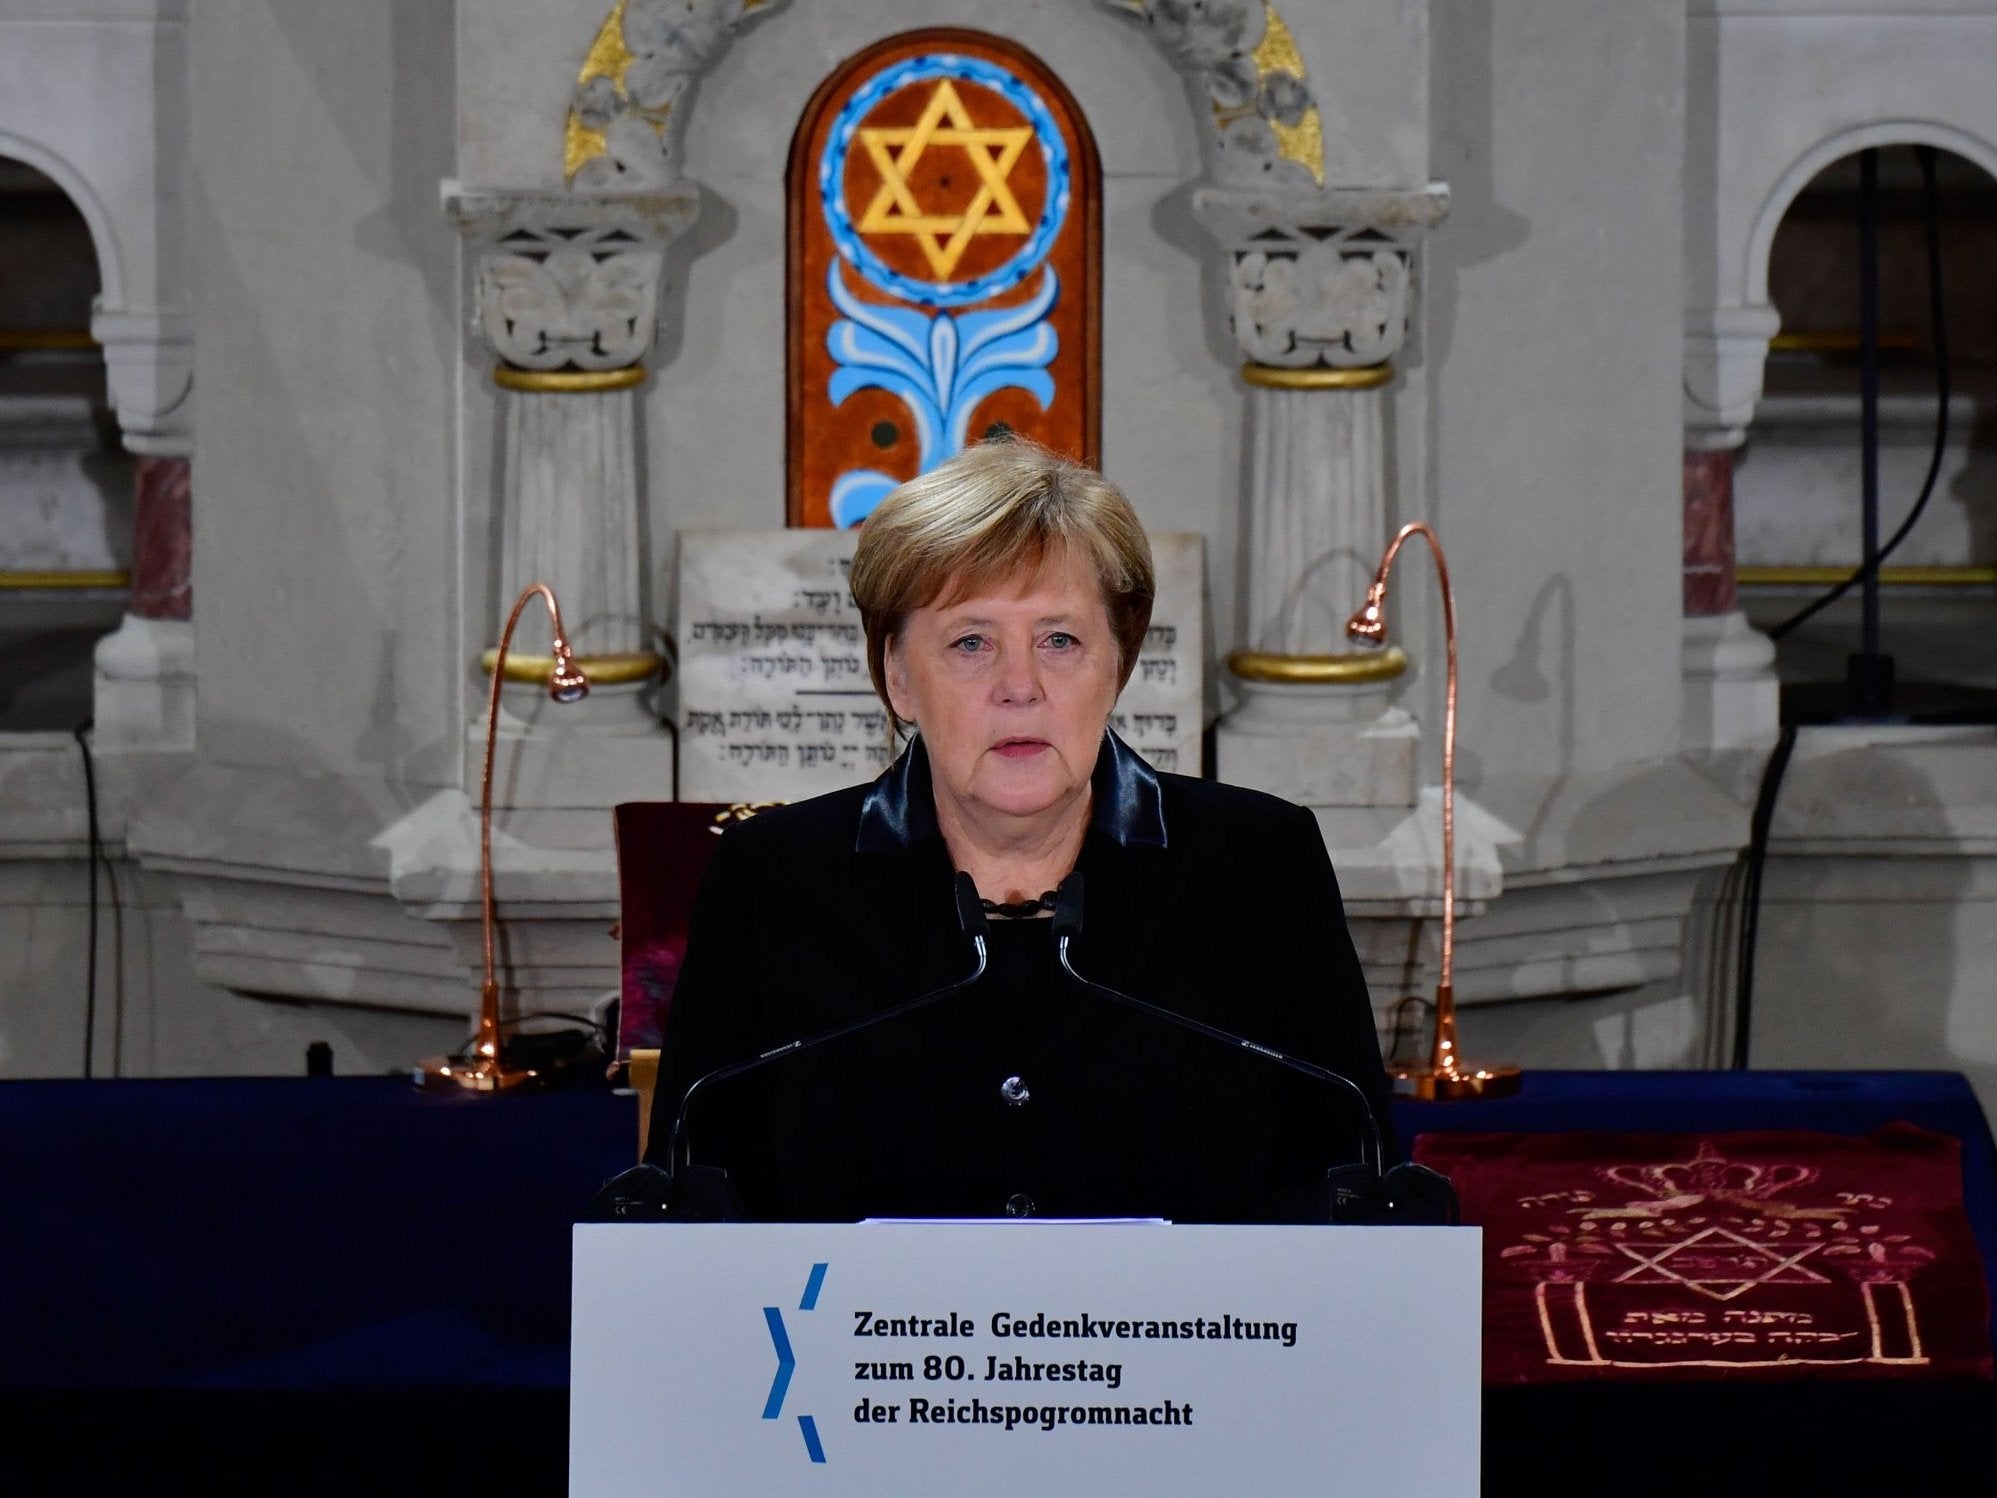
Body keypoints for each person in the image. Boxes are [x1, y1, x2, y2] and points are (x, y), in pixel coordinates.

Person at [646, 438, 1394, 1222]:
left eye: (1059, 640)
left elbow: (1348, 1181)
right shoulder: (775, 879)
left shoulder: (1257, 867)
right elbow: (697, 1193)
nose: (1019, 687)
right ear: (897, 676)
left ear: (1118, 663)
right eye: (971, 642)